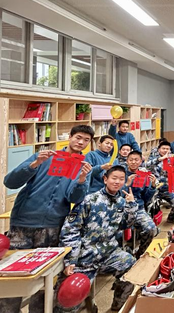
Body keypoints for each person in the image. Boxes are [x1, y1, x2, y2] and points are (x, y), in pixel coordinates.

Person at [0, 125, 94, 313]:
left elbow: (74, 198)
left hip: (53, 226)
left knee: (45, 279)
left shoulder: (83, 166)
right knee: (12, 275)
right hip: (23, 224)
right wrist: (34, 164)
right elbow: (10, 182)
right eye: (78, 137)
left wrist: (82, 179)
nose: (81, 142)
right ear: (70, 136)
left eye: (86, 140)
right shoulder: (45, 157)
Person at [57, 166, 138, 312]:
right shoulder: (89, 200)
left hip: (109, 254)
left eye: (121, 179)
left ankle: (119, 306)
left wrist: (131, 205)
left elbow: (126, 225)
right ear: (105, 179)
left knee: (132, 266)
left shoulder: (121, 202)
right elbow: (70, 230)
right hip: (84, 258)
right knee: (68, 299)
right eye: (114, 178)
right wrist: (71, 260)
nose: (117, 182)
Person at [123, 151, 159, 256]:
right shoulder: (121, 174)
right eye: (131, 160)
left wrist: (153, 186)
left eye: (136, 160)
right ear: (127, 161)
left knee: (151, 229)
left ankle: (140, 253)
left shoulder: (143, 175)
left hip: (138, 209)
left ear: (140, 162)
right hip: (121, 208)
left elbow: (146, 198)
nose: (133, 162)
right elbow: (114, 193)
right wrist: (126, 184)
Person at [146, 143, 174, 223]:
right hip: (154, 190)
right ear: (159, 149)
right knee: (147, 206)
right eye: (163, 148)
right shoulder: (154, 158)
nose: (165, 150)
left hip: (167, 189)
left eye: (167, 149)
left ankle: (171, 218)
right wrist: (161, 159)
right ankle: (151, 222)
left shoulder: (172, 160)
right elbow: (146, 165)